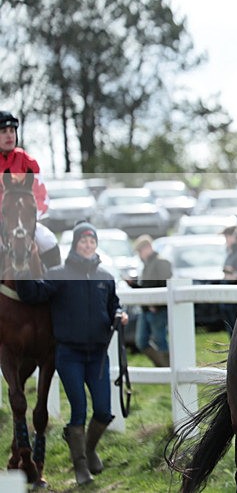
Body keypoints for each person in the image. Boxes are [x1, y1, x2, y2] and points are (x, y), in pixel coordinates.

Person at [15, 221, 129, 485]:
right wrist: (21, 270)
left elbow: (114, 304)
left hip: (99, 355)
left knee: (103, 411)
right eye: (83, 241)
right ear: (75, 244)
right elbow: (33, 294)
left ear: (95, 245)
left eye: (92, 241)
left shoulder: (106, 278)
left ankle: (87, 450)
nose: (88, 245)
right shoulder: (59, 274)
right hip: (70, 355)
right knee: (79, 410)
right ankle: (80, 468)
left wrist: (118, 314)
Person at [0, 110, 61, 268]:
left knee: (49, 241)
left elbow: (41, 197)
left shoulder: (28, 162)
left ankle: (54, 286)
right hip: (3, 221)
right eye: (4, 131)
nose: (9, 136)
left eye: (12, 131)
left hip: (24, 223)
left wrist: (29, 219)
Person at [129, 234, 172, 367]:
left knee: (160, 340)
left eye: (140, 251)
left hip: (157, 309)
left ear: (147, 248)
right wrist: (133, 284)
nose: (139, 255)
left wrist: (157, 304)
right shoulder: (147, 265)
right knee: (141, 341)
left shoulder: (161, 262)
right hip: (146, 308)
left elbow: (165, 284)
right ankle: (163, 366)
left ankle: (168, 368)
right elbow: (147, 287)